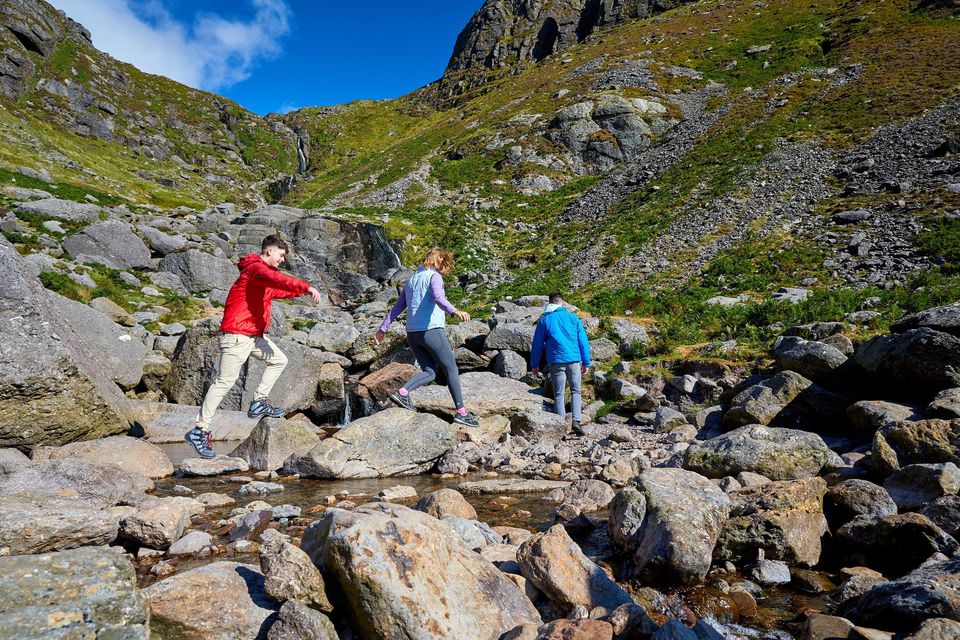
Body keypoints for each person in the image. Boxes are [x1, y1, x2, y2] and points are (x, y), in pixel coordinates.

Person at [185, 235, 322, 458]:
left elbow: (278, 289)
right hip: (237, 335)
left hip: (251, 336)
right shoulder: (255, 269)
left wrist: (301, 291)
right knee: (224, 382)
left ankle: (258, 401)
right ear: (269, 251)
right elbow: (276, 280)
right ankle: (199, 430)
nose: (282, 260)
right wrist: (305, 285)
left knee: (279, 360)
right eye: (281, 255)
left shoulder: (262, 278)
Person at [374, 247, 480, 427]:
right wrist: (455, 311)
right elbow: (438, 297)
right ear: (439, 261)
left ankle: (403, 392)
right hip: (430, 330)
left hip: (412, 333)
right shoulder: (434, 276)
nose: (446, 269)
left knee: (430, 372)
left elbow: (397, 308)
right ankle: (461, 412)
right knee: (451, 368)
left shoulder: (411, 280)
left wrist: (383, 328)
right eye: (446, 264)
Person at [530, 292, 591, 432]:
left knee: (559, 394)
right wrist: (586, 362)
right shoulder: (573, 318)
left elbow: (537, 344)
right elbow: (583, 342)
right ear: (561, 302)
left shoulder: (545, 320)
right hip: (574, 360)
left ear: (549, 303)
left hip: (556, 361)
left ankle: (561, 427)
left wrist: (535, 364)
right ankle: (576, 421)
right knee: (576, 391)